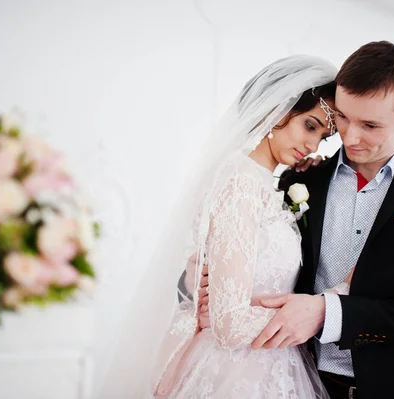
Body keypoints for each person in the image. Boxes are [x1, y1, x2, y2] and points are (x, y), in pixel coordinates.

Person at [198, 41, 394, 399]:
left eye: (370, 124)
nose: (349, 136)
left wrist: (328, 313)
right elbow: (254, 259)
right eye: (343, 117)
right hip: (304, 381)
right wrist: (201, 284)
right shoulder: (299, 180)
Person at [147, 54, 356, 398]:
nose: (312, 145)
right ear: (278, 108)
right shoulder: (239, 180)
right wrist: (323, 307)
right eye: (310, 125)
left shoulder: (263, 183)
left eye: (323, 136)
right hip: (236, 371)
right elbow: (229, 325)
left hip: (268, 363)